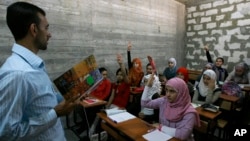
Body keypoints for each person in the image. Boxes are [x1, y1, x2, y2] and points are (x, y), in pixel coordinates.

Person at [0, 2, 78, 140]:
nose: (50, 34)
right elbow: (8, 133)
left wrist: (65, 99)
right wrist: (56, 113)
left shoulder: (32, 65)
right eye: (46, 28)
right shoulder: (18, 74)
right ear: (34, 29)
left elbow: (40, 103)